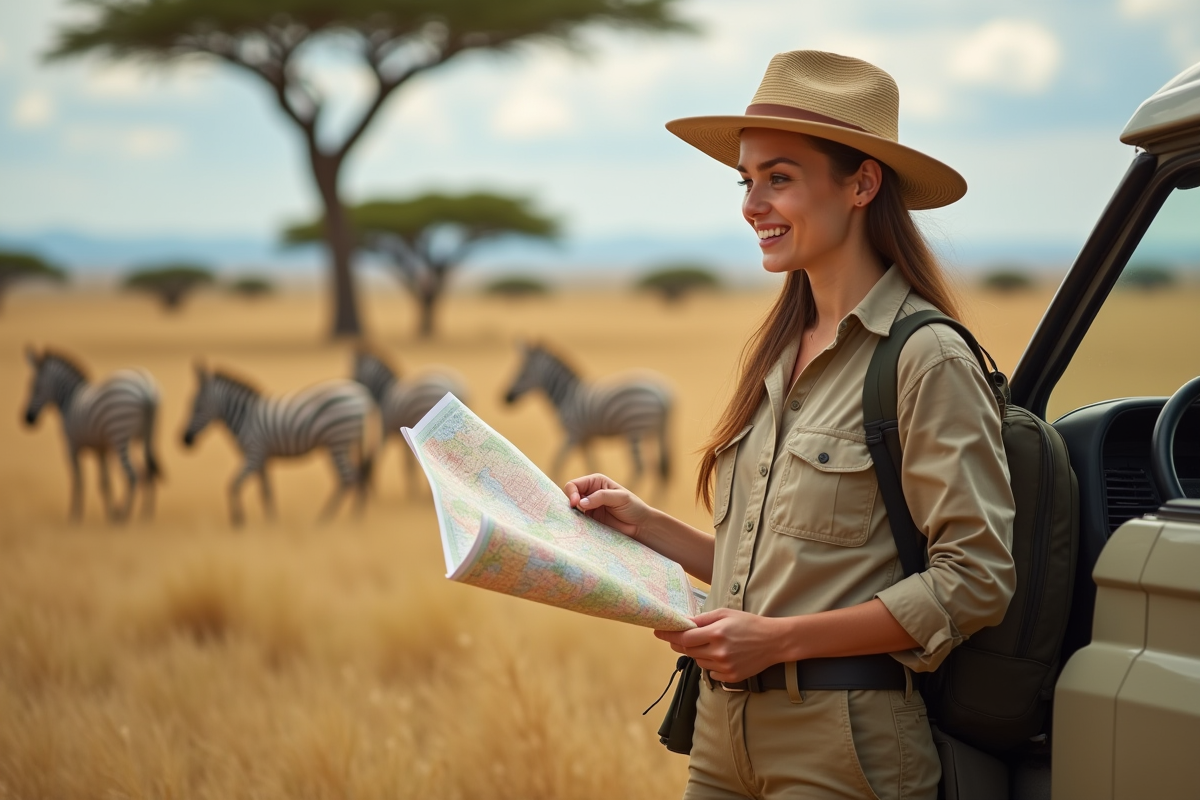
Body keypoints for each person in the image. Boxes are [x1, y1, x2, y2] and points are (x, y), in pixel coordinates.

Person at [564, 51, 1017, 800]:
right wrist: (645, 525)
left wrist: (777, 641)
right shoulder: (780, 348)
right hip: (720, 733)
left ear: (862, 183)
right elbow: (784, 571)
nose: (751, 204)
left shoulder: (925, 357)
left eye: (779, 177)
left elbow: (976, 581)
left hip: (844, 745)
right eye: (746, 181)